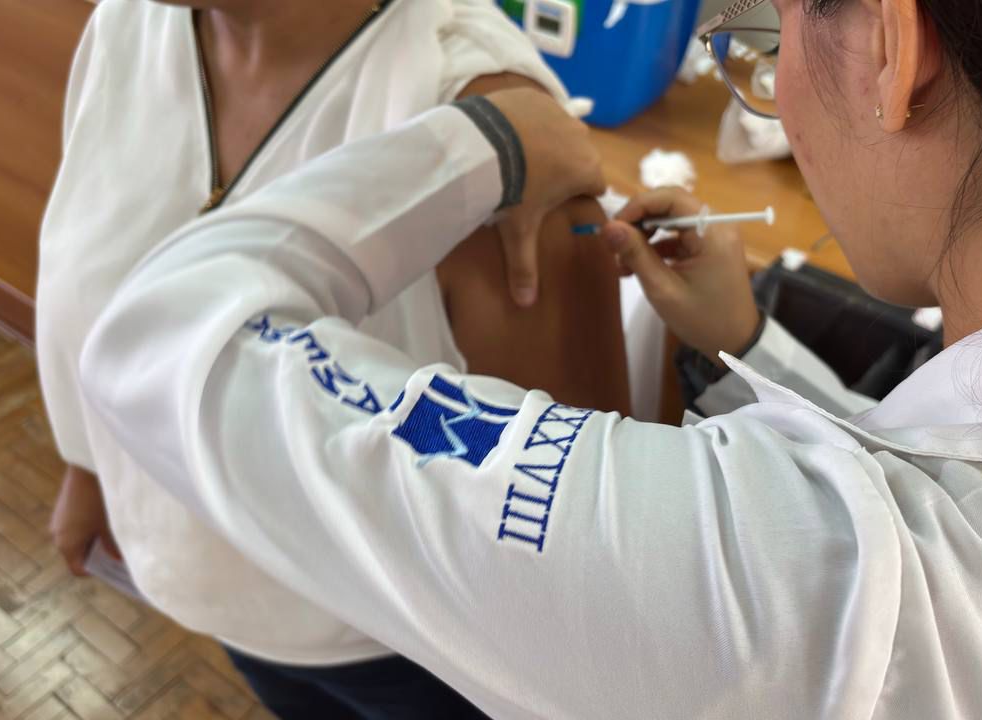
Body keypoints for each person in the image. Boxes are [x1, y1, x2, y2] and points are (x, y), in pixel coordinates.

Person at [79, 0, 982, 716]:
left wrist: (494, 142)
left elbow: (163, 337)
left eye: (772, 28)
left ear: (890, 49)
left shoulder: (803, 596)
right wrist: (746, 341)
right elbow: (943, 475)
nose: (773, 78)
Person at [36, 0, 629, 716]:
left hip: (411, 654)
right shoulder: (131, 23)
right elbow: (88, 282)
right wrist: (89, 464)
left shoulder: (488, 125)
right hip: (227, 609)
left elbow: (578, 548)